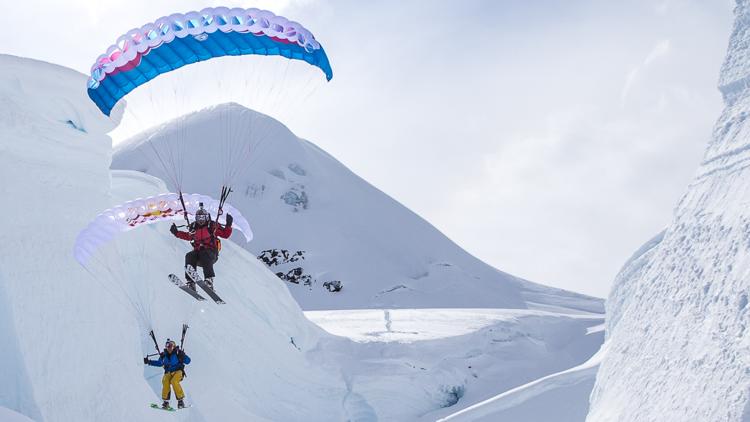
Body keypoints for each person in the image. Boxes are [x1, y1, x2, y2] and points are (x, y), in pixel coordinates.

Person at [170, 204, 233, 291]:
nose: (201, 220)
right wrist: (176, 233)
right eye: (199, 218)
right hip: (199, 256)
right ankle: (190, 282)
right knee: (189, 255)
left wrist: (228, 225)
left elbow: (225, 234)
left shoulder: (212, 226)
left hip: (211, 255)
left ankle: (209, 280)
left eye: (202, 218)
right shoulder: (194, 227)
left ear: (206, 217)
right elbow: (188, 236)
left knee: (204, 253)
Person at [144, 339, 191, 409]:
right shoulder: (164, 356)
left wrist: (183, 355)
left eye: (170, 346)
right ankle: (166, 402)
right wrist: (149, 362)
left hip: (178, 371)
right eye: (167, 346)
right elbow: (159, 363)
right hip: (169, 372)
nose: (169, 348)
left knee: (174, 381)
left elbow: (188, 361)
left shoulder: (178, 353)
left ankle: (180, 401)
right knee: (165, 381)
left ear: (174, 346)